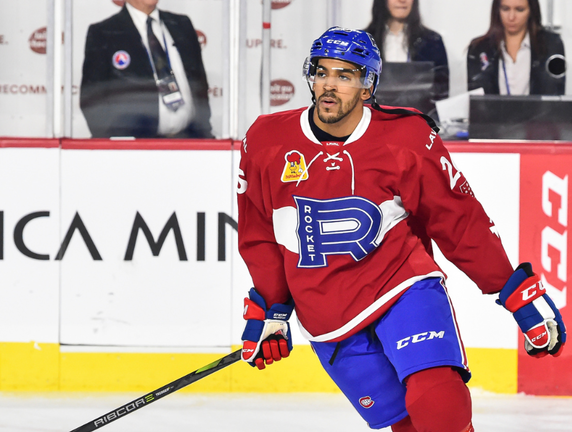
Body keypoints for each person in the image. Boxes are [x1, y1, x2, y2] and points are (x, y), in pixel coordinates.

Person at [237, 27, 566, 432]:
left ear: (367, 86)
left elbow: (458, 219)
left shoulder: (406, 137)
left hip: (401, 285)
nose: (329, 85)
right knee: (406, 424)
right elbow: (258, 234)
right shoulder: (265, 141)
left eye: (344, 75)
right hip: (326, 309)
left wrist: (512, 289)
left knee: (438, 399)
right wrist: (272, 308)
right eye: (321, 72)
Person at [80, 0, 212, 138]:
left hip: (188, 142)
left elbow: (200, 86)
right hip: (135, 146)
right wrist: (116, 144)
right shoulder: (104, 32)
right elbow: (91, 99)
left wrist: (205, 135)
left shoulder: (182, 24)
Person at [364, 0, 449, 114]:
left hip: (419, 117)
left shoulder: (431, 41)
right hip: (373, 117)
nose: (402, 1)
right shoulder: (363, 41)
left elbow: (441, 89)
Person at [467, 0, 566, 95]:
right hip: (493, 108)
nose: (511, 17)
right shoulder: (479, 48)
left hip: (539, 108)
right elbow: (477, 99)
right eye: (505, 9)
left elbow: (554, 95)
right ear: (497, 10)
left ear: (531, 11)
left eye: (519, 10)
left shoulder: (551, 45)